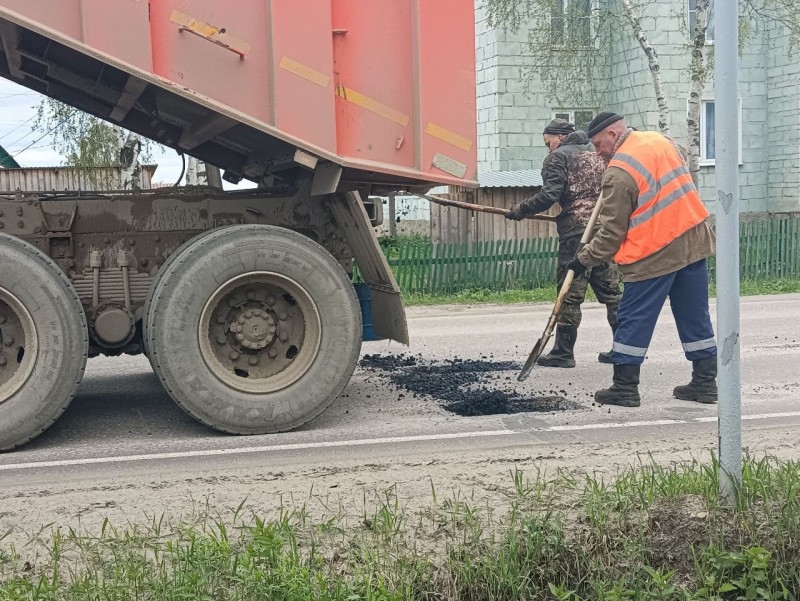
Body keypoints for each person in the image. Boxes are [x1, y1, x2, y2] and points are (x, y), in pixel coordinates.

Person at [569, 111, 717, 407]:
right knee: (694, 316)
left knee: (633, 320)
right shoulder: (662, 141)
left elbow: (611, 233)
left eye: (599, 145)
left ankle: (625, 388)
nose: (598, 153)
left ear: (612, 135)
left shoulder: (620, 171)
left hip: (654, 252)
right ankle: (706, 384)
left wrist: (583, 260)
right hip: (693, 240)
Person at [506, 118, 621, 368]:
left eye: (549, 143)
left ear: (559, 137)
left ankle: (563, 352)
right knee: (612, 293)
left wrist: (520, 210)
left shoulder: (558, 158)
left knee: (569, 292)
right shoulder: (599, 152)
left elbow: (549, 195)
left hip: (575, 233)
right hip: (604, 231)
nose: (549, 148)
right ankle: (623, 348)